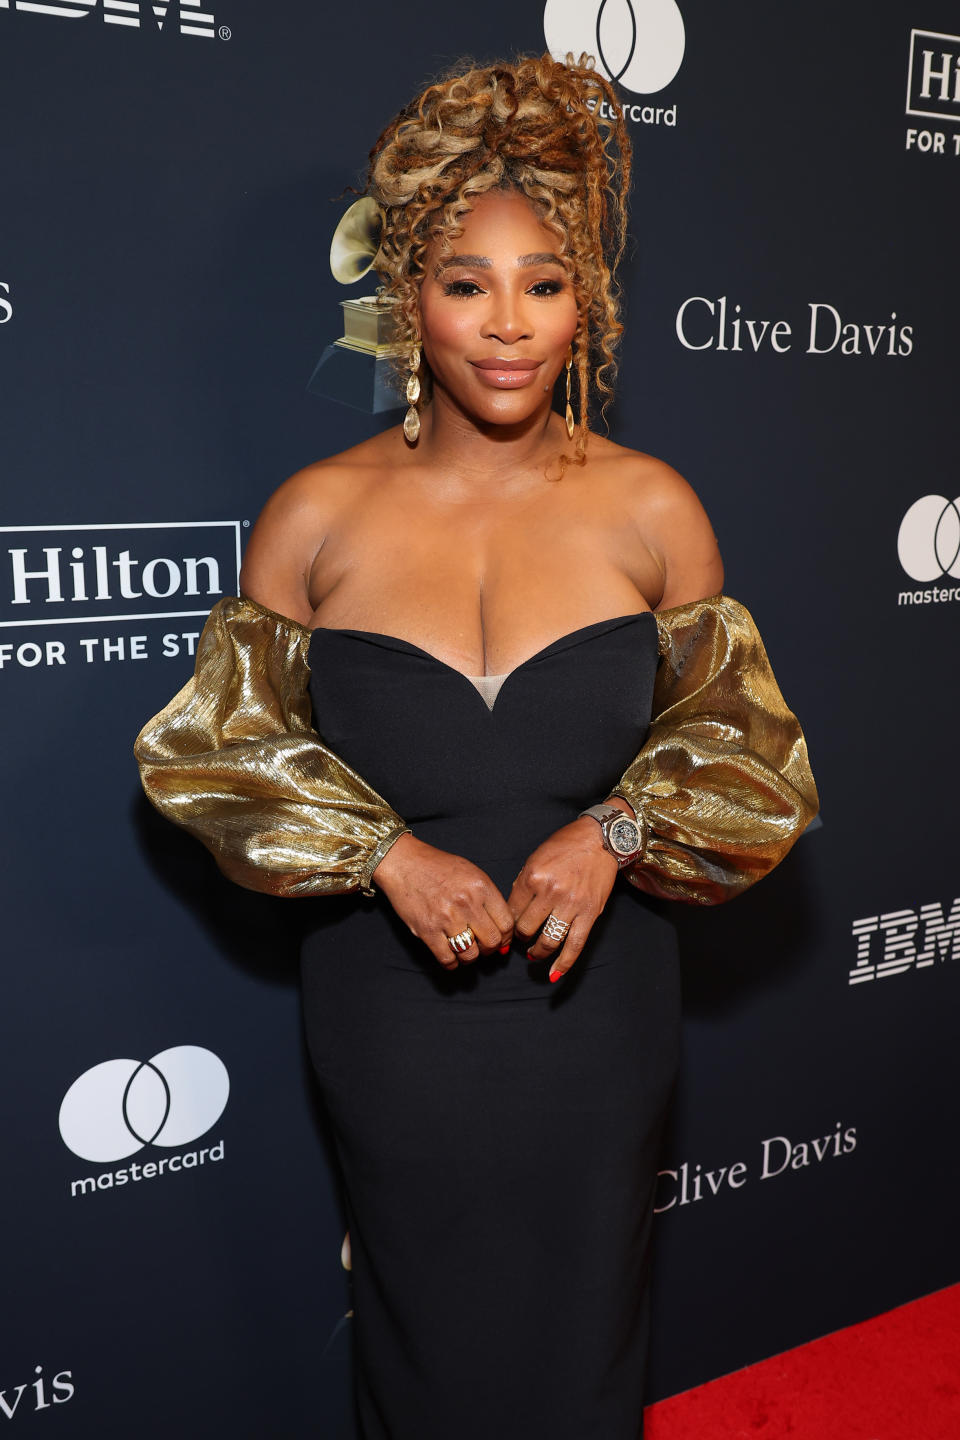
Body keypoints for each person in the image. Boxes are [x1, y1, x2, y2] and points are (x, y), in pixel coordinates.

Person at [135, 53, 819, 1440]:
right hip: (392, 1020)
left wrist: (614, 831)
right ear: (408, 298)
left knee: (583, 1339)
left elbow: (747, 751)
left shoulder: (652, 510)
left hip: (599, 1017)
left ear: (590, 305)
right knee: (420, 1334)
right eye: (466, 284)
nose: (508, 327)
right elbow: (218, 752)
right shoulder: (313, 517)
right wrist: (383, 853)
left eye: (545, 285)